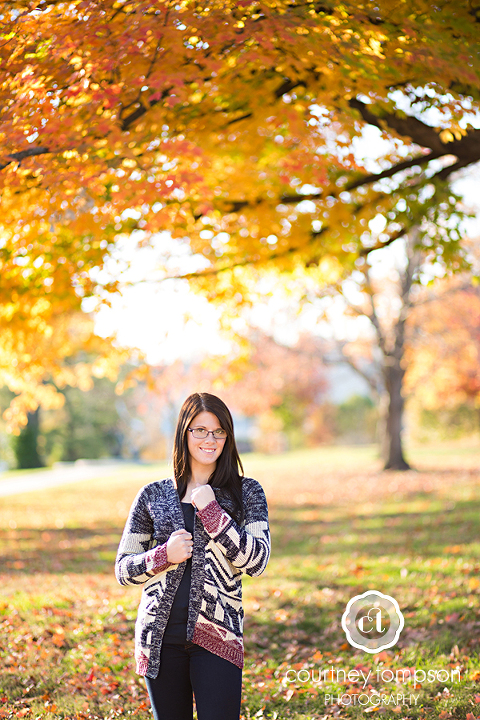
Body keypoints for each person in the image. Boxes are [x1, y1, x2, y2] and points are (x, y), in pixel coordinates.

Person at [115, 392, 270, 720]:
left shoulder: (247, 492)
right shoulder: (153, 495)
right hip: (159, 640)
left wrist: (213, 512)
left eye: (218, 431)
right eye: (200, 430)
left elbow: (257, 561)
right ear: (183, 433)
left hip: (218, 639)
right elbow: (123, 569)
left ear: (228, 436)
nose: (210, 439)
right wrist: (162, 556)